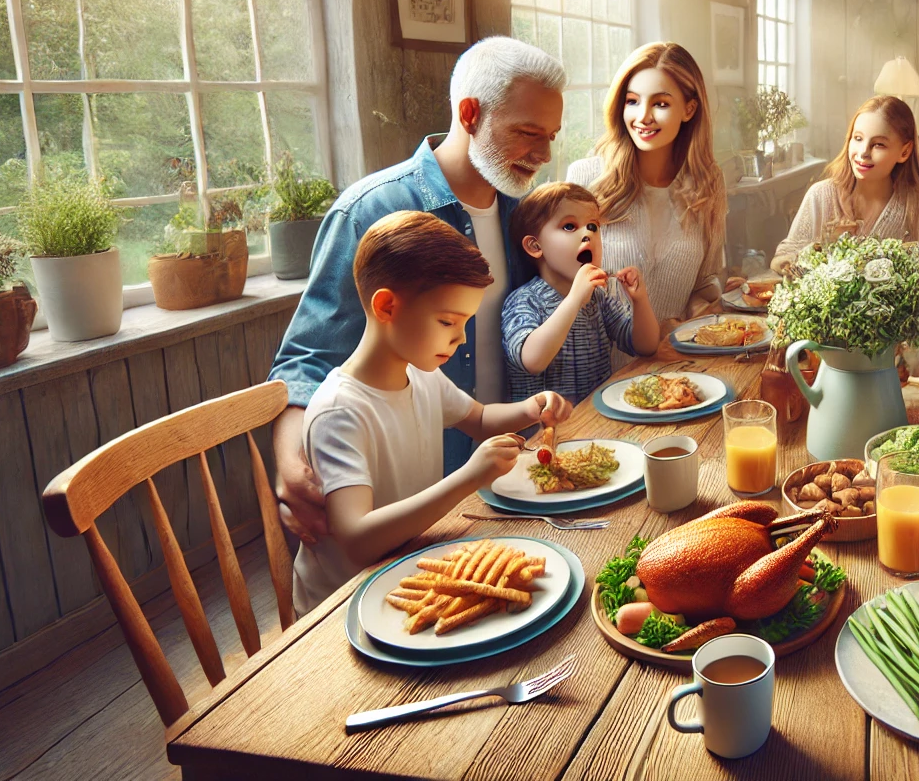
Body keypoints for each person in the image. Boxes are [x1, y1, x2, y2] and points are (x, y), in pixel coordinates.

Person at [271, 36, 565, 545]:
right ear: (470, 114)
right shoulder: (369, 210)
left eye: (552, 136)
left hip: (511, 477)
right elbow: (305, 359)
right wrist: (290, 463)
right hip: (416, 503)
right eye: (527, 132)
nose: (543, 154)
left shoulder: (524, 216)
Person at [292, 211, 572, 615]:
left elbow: (476, 420)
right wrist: (469, 477)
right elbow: (357, 539)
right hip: (345, 605)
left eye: (465, 323)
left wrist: (530, 408)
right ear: (387, 306)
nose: (460, 338)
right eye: (447, 321)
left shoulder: (421, 374)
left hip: (408, 566)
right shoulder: (340, 410)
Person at [567, 42, 727, 328]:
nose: (643, 117)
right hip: (597, 370)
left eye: (660, 104)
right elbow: (558, 285)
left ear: (689, 109)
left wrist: (703, 310)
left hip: (673, 366)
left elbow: (704, 282)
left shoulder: (708, 184)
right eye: (632, 101)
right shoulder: (585, 178)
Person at [502, 182, 661, 407]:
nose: (587, 234)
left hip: (596, 423)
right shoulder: (525, 301)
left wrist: (639, 300)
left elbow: (646, 346)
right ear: (535, 246)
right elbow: (532, 360)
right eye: (569, 226)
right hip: (545, 434)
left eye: (593, 226)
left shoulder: (598, 298)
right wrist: (574, 300)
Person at [771, 95, 919, 273]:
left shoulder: (913, 199)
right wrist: (823, 248)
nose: (863, 153)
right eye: (858, 138)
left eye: (878, 144)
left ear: (905, 151)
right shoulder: (820, 195)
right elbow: (780, 261)